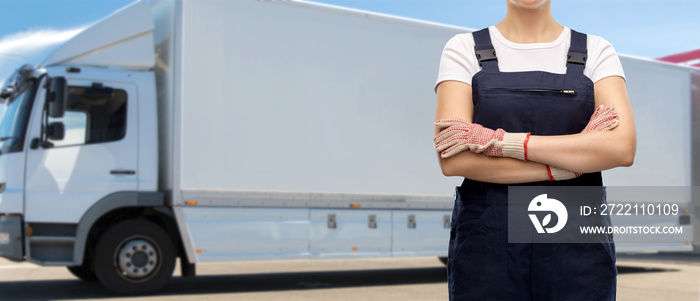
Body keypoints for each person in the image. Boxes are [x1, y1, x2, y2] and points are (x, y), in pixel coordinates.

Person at [432, 0, 636, 300]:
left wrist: (503, 143)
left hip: (578, 249)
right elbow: (453, 158)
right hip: (488, 248)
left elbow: (621, 148)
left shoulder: (597, 51)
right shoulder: (462, 49)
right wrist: (567, 165)